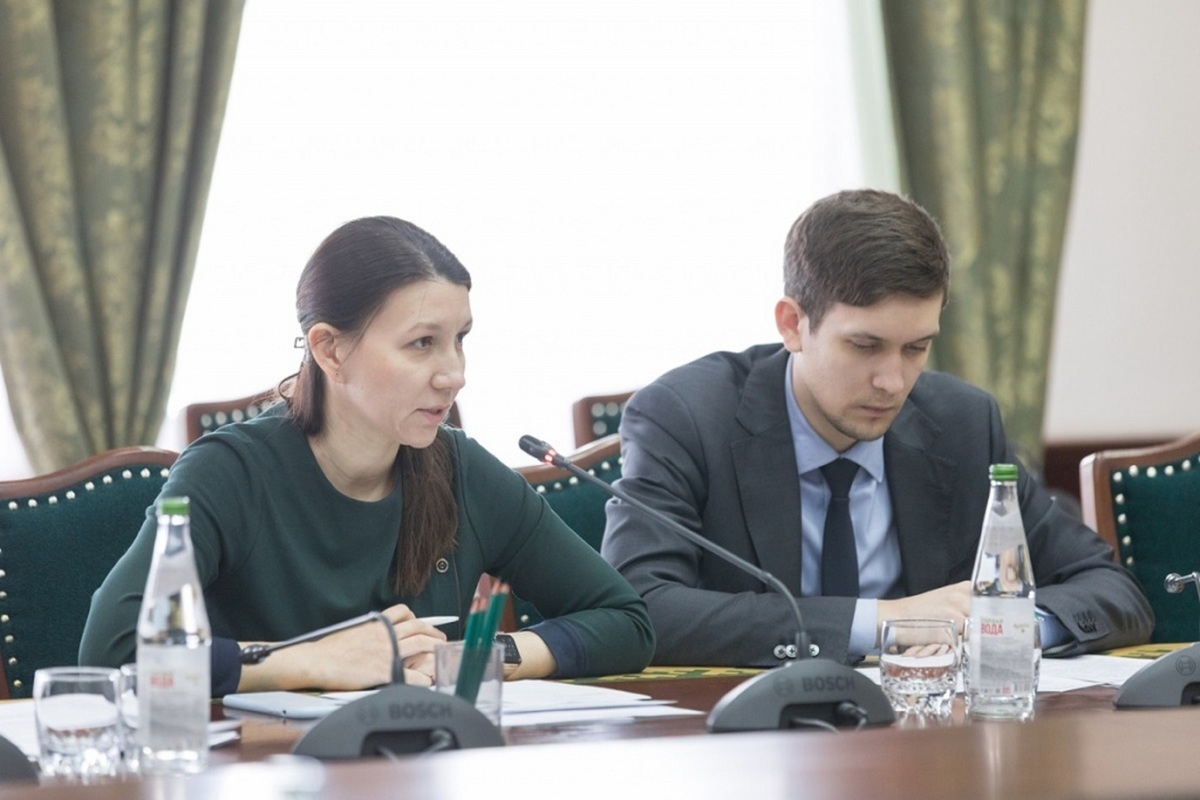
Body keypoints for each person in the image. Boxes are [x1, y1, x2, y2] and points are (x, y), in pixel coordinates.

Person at [80, 216, 655, 695]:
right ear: (329, 350)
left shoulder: (461, 469)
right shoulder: (229, 472)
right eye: (422, 343)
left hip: (425, 763)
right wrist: (312, 659)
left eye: (460, 339)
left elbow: (625, 621)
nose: (454, 374)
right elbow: (115, 652)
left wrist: (479, 657)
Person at [601, 189, 1153, 667]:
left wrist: (1008, 630)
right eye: (864, 346)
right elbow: (639, 608)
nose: (893, 382)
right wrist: (884, 622)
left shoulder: (962, 424)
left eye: (916, 348)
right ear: (793, 325)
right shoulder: (687, 417)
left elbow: (1111, 589)